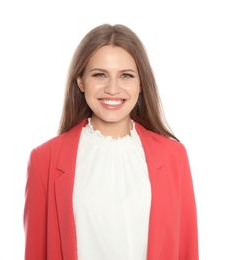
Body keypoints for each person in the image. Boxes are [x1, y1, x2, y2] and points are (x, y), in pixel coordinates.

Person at [23, 23, 199, 260]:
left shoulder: (174, 156)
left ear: (141, 84)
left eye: (126, 75)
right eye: (99, 75)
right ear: (81, 81)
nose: (113, 89)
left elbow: (186, 250)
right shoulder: (45, 159)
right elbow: (36, 252)